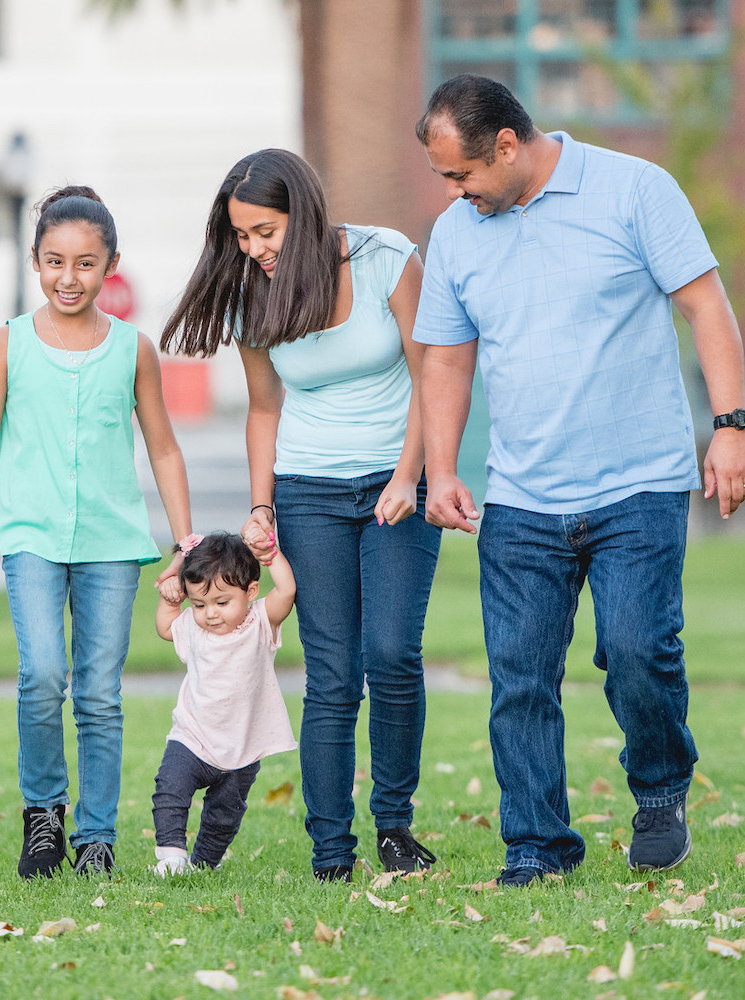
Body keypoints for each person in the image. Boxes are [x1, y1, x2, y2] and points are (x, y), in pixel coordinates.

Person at [412, 75, 745, 887]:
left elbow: (706, 307)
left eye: (461, 175)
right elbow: (447, 360)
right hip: (521, 496)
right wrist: (440, 468)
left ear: (506, 145)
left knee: (639, 651)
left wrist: (732, 427)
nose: (455, 194)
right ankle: (535, 846)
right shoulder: (458, 233)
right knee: (519, 679)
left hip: (638, 481)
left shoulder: (634, 188)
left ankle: (661, 788)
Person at [161, 149, 442, 882]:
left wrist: (410, 474)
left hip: (394, 482)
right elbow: (263, 407)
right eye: (241, 236)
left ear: (305, 212)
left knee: (392, 653)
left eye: (265, 231)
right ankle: (330, 851)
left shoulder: (386, 258)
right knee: (332, 673)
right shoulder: (253, 294)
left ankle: (394, 825)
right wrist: (261, 507)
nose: (252, 249)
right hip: (309, 490)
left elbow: (430, 376)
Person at [0, 185, 193, 880]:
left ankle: (96, 835)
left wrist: (185, 545)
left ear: (110, 265)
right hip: (28, 538)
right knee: (41, 677)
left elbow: (165, 450)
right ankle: (43, 816)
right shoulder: (5, 345)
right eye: (56, 262)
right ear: (36, 261)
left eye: (86, 264)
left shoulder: (133, 350)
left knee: (97, 692)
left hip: (112, 543)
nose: (70, 278)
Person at [152, 530, 297, 875]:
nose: (210, 614)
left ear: (250, 591)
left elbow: (287, 590)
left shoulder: (261, 622)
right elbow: (164, 627)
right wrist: (171, 600)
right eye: (199, 604)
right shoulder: (193, 627)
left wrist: (269, 552)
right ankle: (172, 856)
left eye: (222, 602)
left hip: (243, 745)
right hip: (192, 735)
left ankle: (204, 864)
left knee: (224, 813)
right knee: (170, 789)